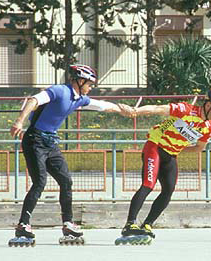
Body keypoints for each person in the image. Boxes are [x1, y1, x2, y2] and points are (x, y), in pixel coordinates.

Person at [9, 64, 127, 244]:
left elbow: (102, 106)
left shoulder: (80, 99)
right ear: (80, 80)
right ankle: (23, 225)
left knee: (66, 181)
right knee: (40, 182)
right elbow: (33, 100)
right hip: (34, 140)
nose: (90, 87)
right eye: (89, 84)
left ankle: (68, 224)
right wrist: (19, 121)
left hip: (50, 143)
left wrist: (124, 109)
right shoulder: (59, 91)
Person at [116, 88, 211, 239]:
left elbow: (199, 148)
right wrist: (136, 111)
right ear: (208, 105)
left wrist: (176, 149)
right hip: (155, 146)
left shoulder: (207, 127)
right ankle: (130, 224)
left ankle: (147, 224)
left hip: (171, 155)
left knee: (168, 190)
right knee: (148, 185)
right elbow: (158, 109)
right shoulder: (186, 110)